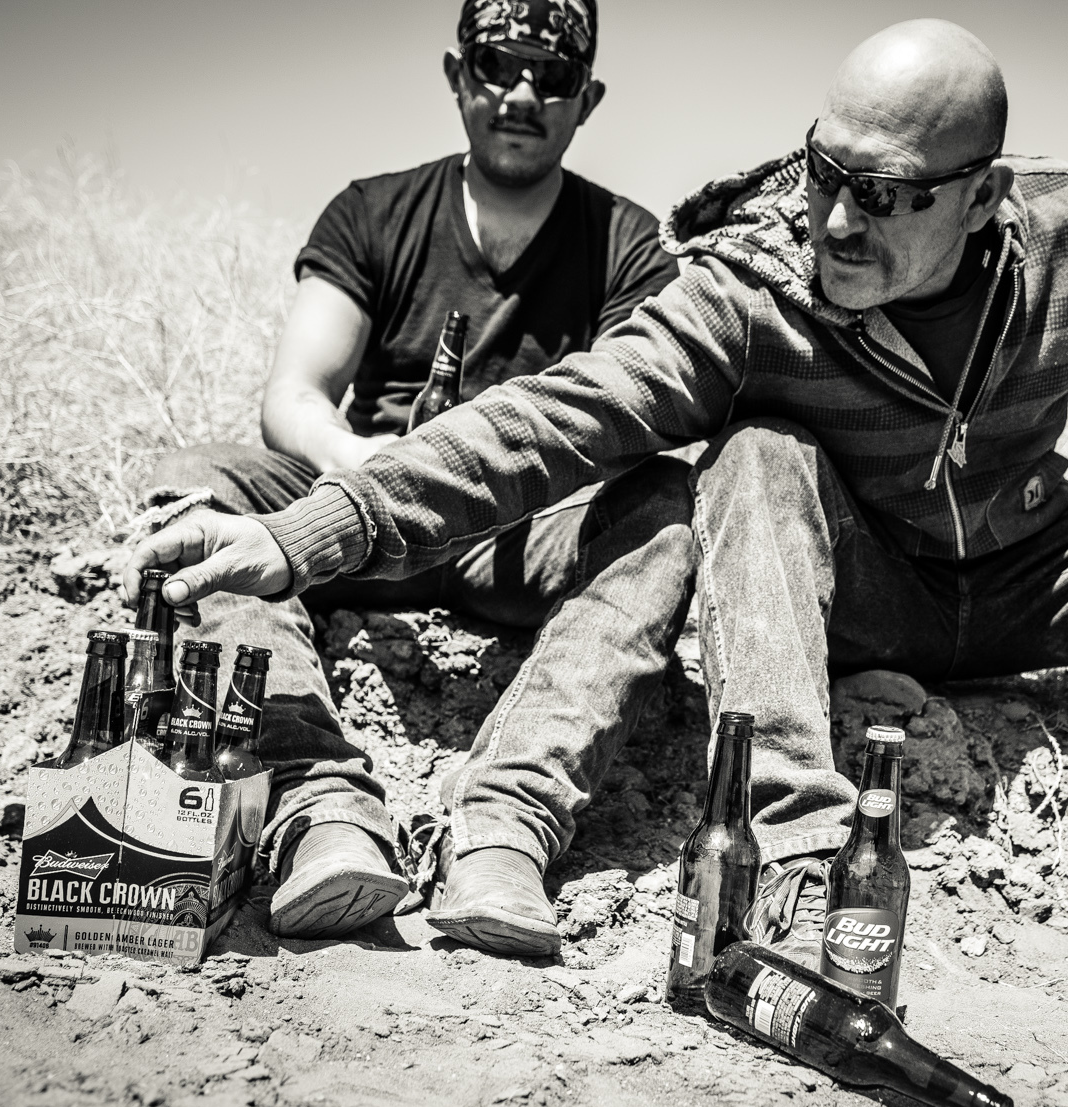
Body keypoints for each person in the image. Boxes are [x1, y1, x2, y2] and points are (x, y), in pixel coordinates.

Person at [128, 19, 1068, 1070]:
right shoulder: (751, 286)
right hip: (869, 587)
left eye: (889, 197)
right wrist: (310, 533)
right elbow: (546, 424)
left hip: (1036, 568)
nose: (839, 224)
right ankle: (798, 872)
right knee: (753, 452)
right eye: (824, 174)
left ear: (983, 199)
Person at [137, 0, 695, 948]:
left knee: (668, 507)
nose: (521, 93)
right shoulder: (371, 210)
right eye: (495, 65)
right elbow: (295, 397)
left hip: (523, 537)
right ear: (455, 75)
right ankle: (317, 803)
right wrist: (368, 473)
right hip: (353, 512)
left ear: (587, 99)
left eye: (551, 75)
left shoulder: (629, 244)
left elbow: (634, 426)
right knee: (199, 478)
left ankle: (504, 823)